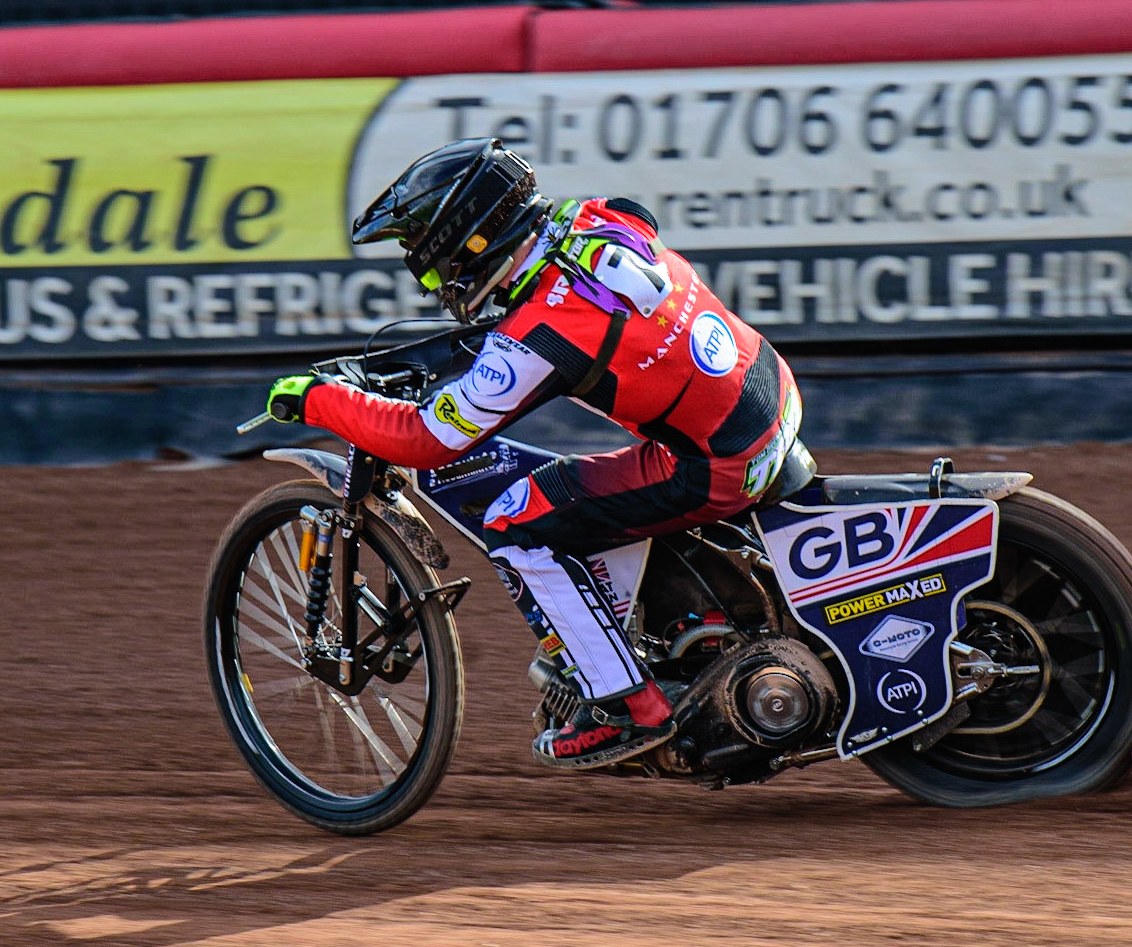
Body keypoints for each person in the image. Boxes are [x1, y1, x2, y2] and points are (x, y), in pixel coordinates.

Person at [265, 138, 806, 769]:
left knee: (515, 519)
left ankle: (628, 707)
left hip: (718, 465)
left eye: (427, 261)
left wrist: (318, 401)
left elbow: (426, 440)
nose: (430, 278)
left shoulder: (536, 341)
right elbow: (616, 256)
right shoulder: (601, 218)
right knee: (599, 480)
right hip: (771, 391)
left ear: (466, 240)